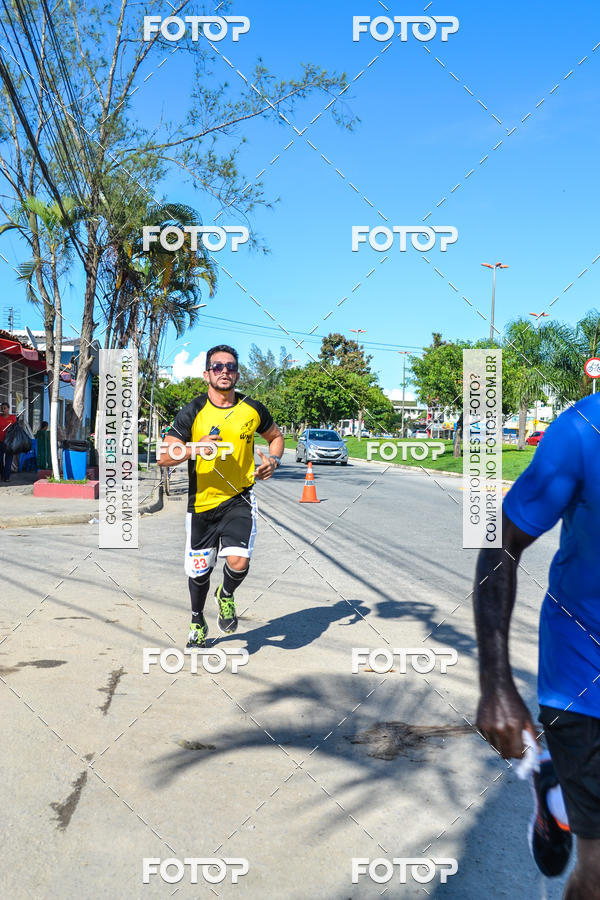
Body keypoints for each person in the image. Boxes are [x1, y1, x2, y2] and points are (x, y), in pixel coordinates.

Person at [473, 393, 600, 898]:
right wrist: (496, 683)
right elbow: (500, 543)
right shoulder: (581, 431)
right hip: (584, 678)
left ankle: (558, 797)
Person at [158, 344, 284, 650]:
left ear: (237, 374)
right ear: (206, 374)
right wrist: (194, 447)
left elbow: (276, 437)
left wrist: (273, 461)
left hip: (239, 497)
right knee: (199, 573)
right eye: (217, 367)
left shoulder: (252, 409)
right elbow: (164, 455)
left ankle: (226, 595)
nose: (224, 372)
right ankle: (197, 619)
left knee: (238, 562)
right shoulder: (193, 411)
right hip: (201, 503)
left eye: (230, 367)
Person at [0, 401, 17, 482]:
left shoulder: (12, 417)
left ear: (8, 409)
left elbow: (15, 428)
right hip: (1, 441)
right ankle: (2, 474)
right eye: (2, 408)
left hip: (10, 442)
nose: (3, 410)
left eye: (5, 408)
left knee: (8, 460)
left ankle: (7, 477)